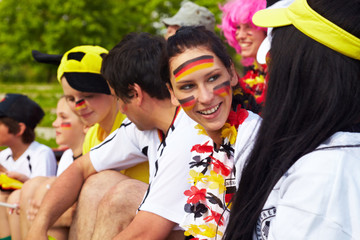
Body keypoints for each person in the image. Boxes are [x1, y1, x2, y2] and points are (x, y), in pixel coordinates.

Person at [26, 32, 209, 240]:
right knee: (97, 183)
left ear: (136, 94)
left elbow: (147, 230)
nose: (121, 109)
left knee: (124, 195)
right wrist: (38, 227)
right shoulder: (144, 126)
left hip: (202, 233)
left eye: (119, 98)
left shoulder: (189, 133)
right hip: (167, 224)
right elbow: (80, 167)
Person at [223, 0, 360, 238]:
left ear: (308, 68)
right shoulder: (318, 152)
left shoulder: (328, 173)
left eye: (277, 53)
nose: (266, 61)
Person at [165, 26, 261, 239]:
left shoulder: (256, 141)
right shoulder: (202, 146)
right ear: (172, 94)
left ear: (232, 72)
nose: (206, 97)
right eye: (188, 86)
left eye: (212, 78)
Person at [18, 96, 87, 240]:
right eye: (56, 117)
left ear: (86, 124)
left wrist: (45, 214)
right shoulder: (68, 156)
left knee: (45, 188)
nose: (55, 124)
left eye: (63, 117)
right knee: (27, 190)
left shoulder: (94, 157)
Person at [0, 93, 57, 240]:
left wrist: (23, 180)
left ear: (19, 129)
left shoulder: (41, 154)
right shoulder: (3, 155)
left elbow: (43, 193)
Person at [219, 0, 267, 113]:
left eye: (248, 26)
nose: (240, 35)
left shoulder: (282, 74)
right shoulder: (244, 81)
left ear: (266, 29)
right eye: (237, 27)